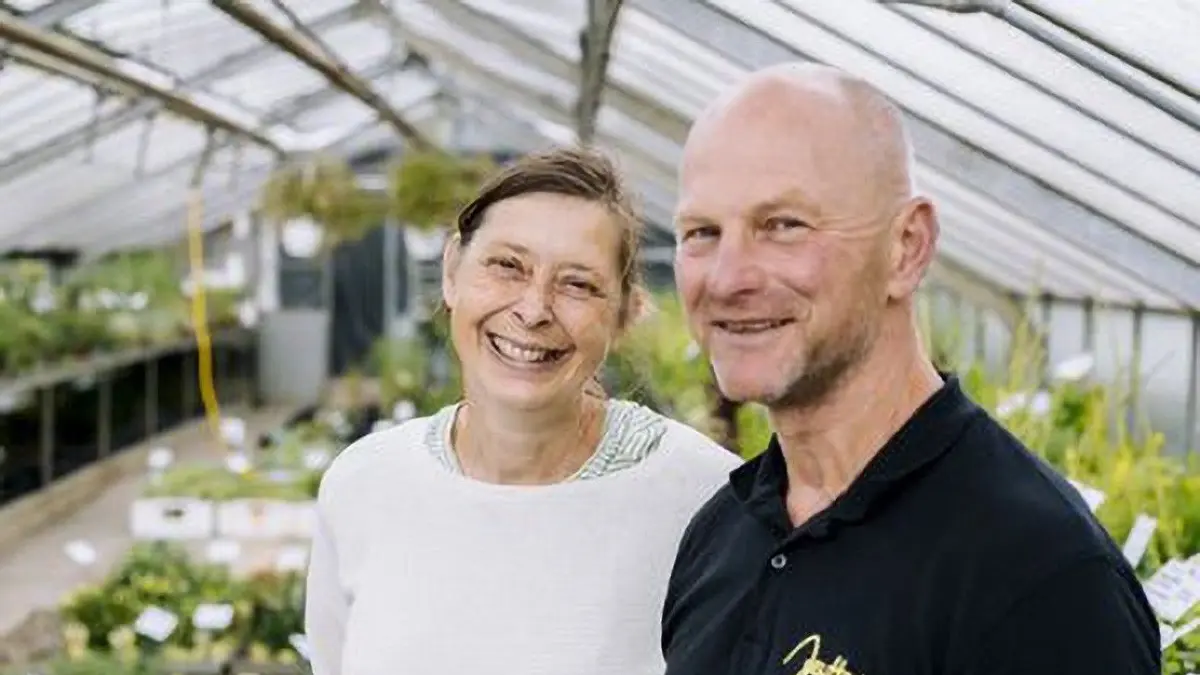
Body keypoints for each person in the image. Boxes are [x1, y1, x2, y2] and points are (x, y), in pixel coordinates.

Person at [660, 63, 1160, 675]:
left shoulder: (1036, 576)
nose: (729, 277)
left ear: (907, 247)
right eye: (701, 232)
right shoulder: (722, 536)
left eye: (783, 226)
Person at [304, 146, 741, 675]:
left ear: (624, 314)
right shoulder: (363, 483)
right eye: (507, 266)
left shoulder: (706, 498)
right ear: (451, 270)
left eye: (577, 284)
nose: (533, 311)